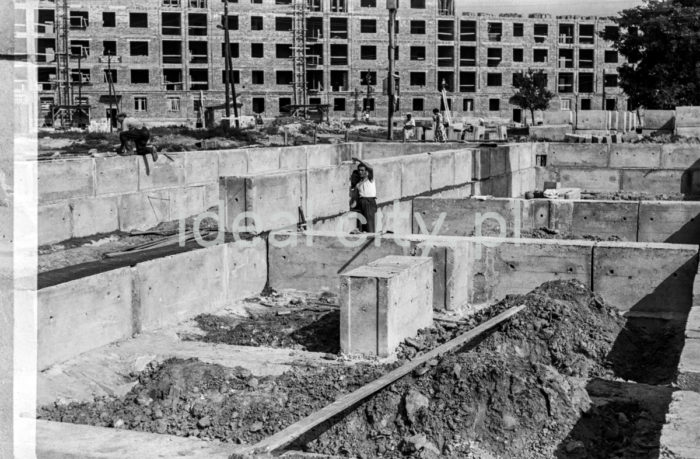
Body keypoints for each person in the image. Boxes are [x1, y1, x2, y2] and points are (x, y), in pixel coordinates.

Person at [351, 157, 377, 233]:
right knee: (363, 225)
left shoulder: (370, 178)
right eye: (359, 170)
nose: (360, 172)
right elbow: (356, 196)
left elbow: (370, 167)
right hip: (362, 202)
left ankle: (371, 239)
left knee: (369, 225)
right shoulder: (359, 183)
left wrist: (359, 160)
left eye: (362, 170)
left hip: (369, 202)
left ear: (366, 171)